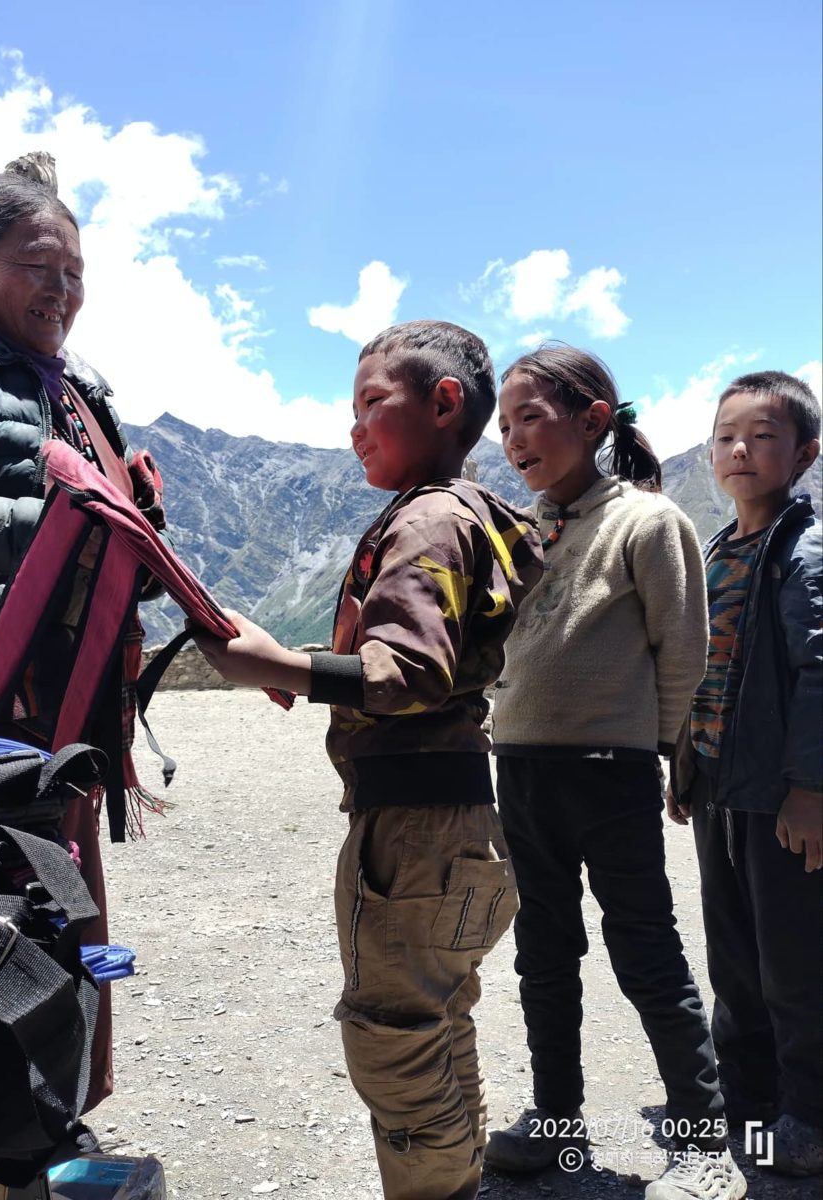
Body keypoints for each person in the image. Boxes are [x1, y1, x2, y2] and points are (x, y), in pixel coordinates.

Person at [194, 320, 543, 1200]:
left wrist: (273, 666)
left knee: (392, 1038)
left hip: (411, 834)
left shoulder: (426, 519)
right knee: (439, 1018)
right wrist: (307, 670)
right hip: (463, 820)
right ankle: (458, 1179)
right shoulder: (469, 514)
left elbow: (408, 672)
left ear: (444, 403)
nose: (353, 428)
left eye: (371, 403)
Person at [0, 159, 164, 1114]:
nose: (61, 289)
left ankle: (50, 1126)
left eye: (75, 272)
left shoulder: (80, 392)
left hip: (59, 720)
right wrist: (67, 530)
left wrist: (135, 535)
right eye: (36, 265)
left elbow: (113, 549)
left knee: (57, 921)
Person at [485, 344, 747, 1200]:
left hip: (610, 774)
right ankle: (557, 1120)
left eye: (531, 418)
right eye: (505, 425)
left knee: (646, 950)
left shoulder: (646, 522)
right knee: (542, 952)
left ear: (594, 419)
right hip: (521, 771)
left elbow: (684, 652)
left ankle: (702, 1141)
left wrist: (659, 751)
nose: (514, 439)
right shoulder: (521, 530)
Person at [667, 371, 822, 1178]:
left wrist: (811, 789)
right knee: (732, 953)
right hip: (722, 790)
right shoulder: (718, 551)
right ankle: (750, 1101)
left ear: (804, 454)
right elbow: (701, 673)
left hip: (780, 798)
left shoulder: (806, 552)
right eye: (727, 436)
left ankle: (810, 1115)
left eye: (763, 437)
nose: (740, 451)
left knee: (794, 958)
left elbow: (820, 673)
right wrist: (684, 766)